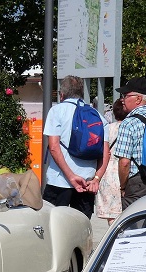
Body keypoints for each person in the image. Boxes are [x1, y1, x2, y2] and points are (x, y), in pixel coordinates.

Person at [43, 75, 101, 218]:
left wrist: (71, 176)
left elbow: (54, 147)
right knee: (81, 226)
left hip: (59, 181)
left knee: (52, 224)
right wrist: (96, 178)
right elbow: (105, 152)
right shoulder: (95, 114)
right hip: (86, 182)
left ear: (62, 94)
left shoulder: (57, 111)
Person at [111, 77, 146, 207]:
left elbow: (124, 162)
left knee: (135, 219)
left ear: (138, 99)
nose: (122, 99)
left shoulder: (128, 123)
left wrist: (123, 186)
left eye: (126, 95)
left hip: (137, 183)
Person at [95, 98, 126, 224]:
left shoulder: (107, 128)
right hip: (124, 170)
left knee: (112, 216)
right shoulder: (129, 127)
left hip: (107, 171)